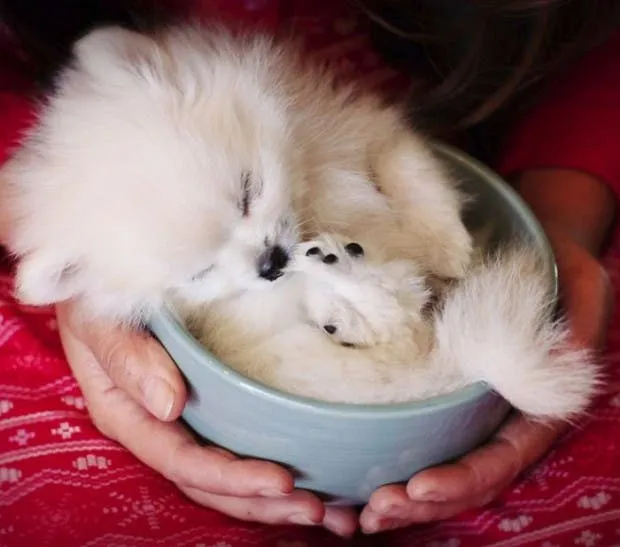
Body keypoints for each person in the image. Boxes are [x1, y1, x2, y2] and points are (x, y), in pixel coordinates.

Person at [0, 0, 619, 544]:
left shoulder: (238, 108)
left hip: (513, 117)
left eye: (248, 194)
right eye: (202, 270)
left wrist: (562, 215)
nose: (263, 256)